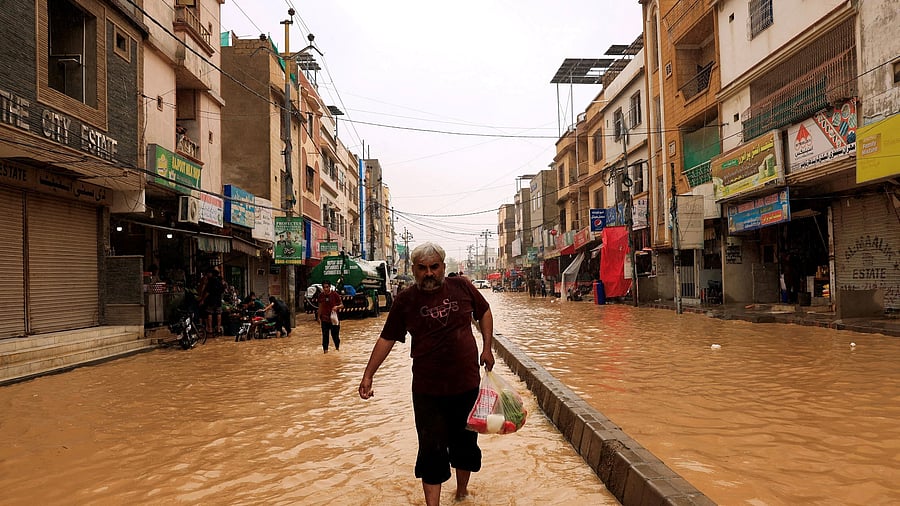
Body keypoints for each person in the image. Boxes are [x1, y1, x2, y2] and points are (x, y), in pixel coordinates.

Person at [358, 242, 495, 506]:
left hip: (466, 384)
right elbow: (387, 338)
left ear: (443, 267)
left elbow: (485, 311)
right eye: (422, 268)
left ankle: (461, 494)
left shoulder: (462, 286)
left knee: (465, 444)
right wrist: (368, 375)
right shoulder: (406, 300)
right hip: (427, 391)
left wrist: (487, 348)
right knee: (431, 450)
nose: (429, 273)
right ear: (414, 270)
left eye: (434, 267)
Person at [317, 280, 344, 353]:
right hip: (324, 319)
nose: (325, 289)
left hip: (334, 320)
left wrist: (337, 307)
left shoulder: (335, 295)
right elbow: (320, 307)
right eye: (324, 287)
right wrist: (318, 317)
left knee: (335, 336)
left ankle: (337, 349)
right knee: (325, 336)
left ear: (330, 287)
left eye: (327, 287)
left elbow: (342, 305)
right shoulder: (321, 296)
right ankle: (325, 351)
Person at [202, 267, 225, 336]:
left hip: (211, 300)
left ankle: (210, 329)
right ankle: (218, 329)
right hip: (218, 300)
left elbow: (208, 292)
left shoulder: (211, 281)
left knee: (209, 313)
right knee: (219, 313)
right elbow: (222, 290)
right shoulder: (220, 281)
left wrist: (203, 299)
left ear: (211, 274)